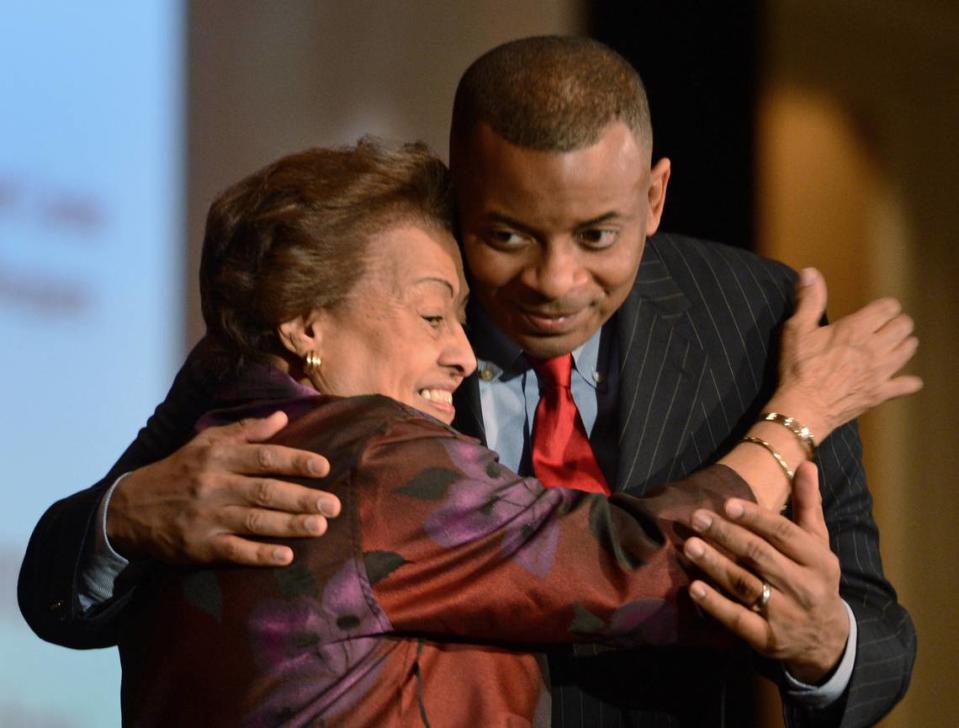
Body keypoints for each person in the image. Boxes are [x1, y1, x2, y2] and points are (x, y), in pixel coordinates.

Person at [18, 37, 919, 726]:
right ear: (461, 197)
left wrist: (822, 646)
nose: (556, 281)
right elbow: (59, 584)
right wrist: (123, 514)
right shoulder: (293, 338)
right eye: (509, 235)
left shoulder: (762, 323)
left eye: (598, 236)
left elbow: (874, 629)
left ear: (654, 196)